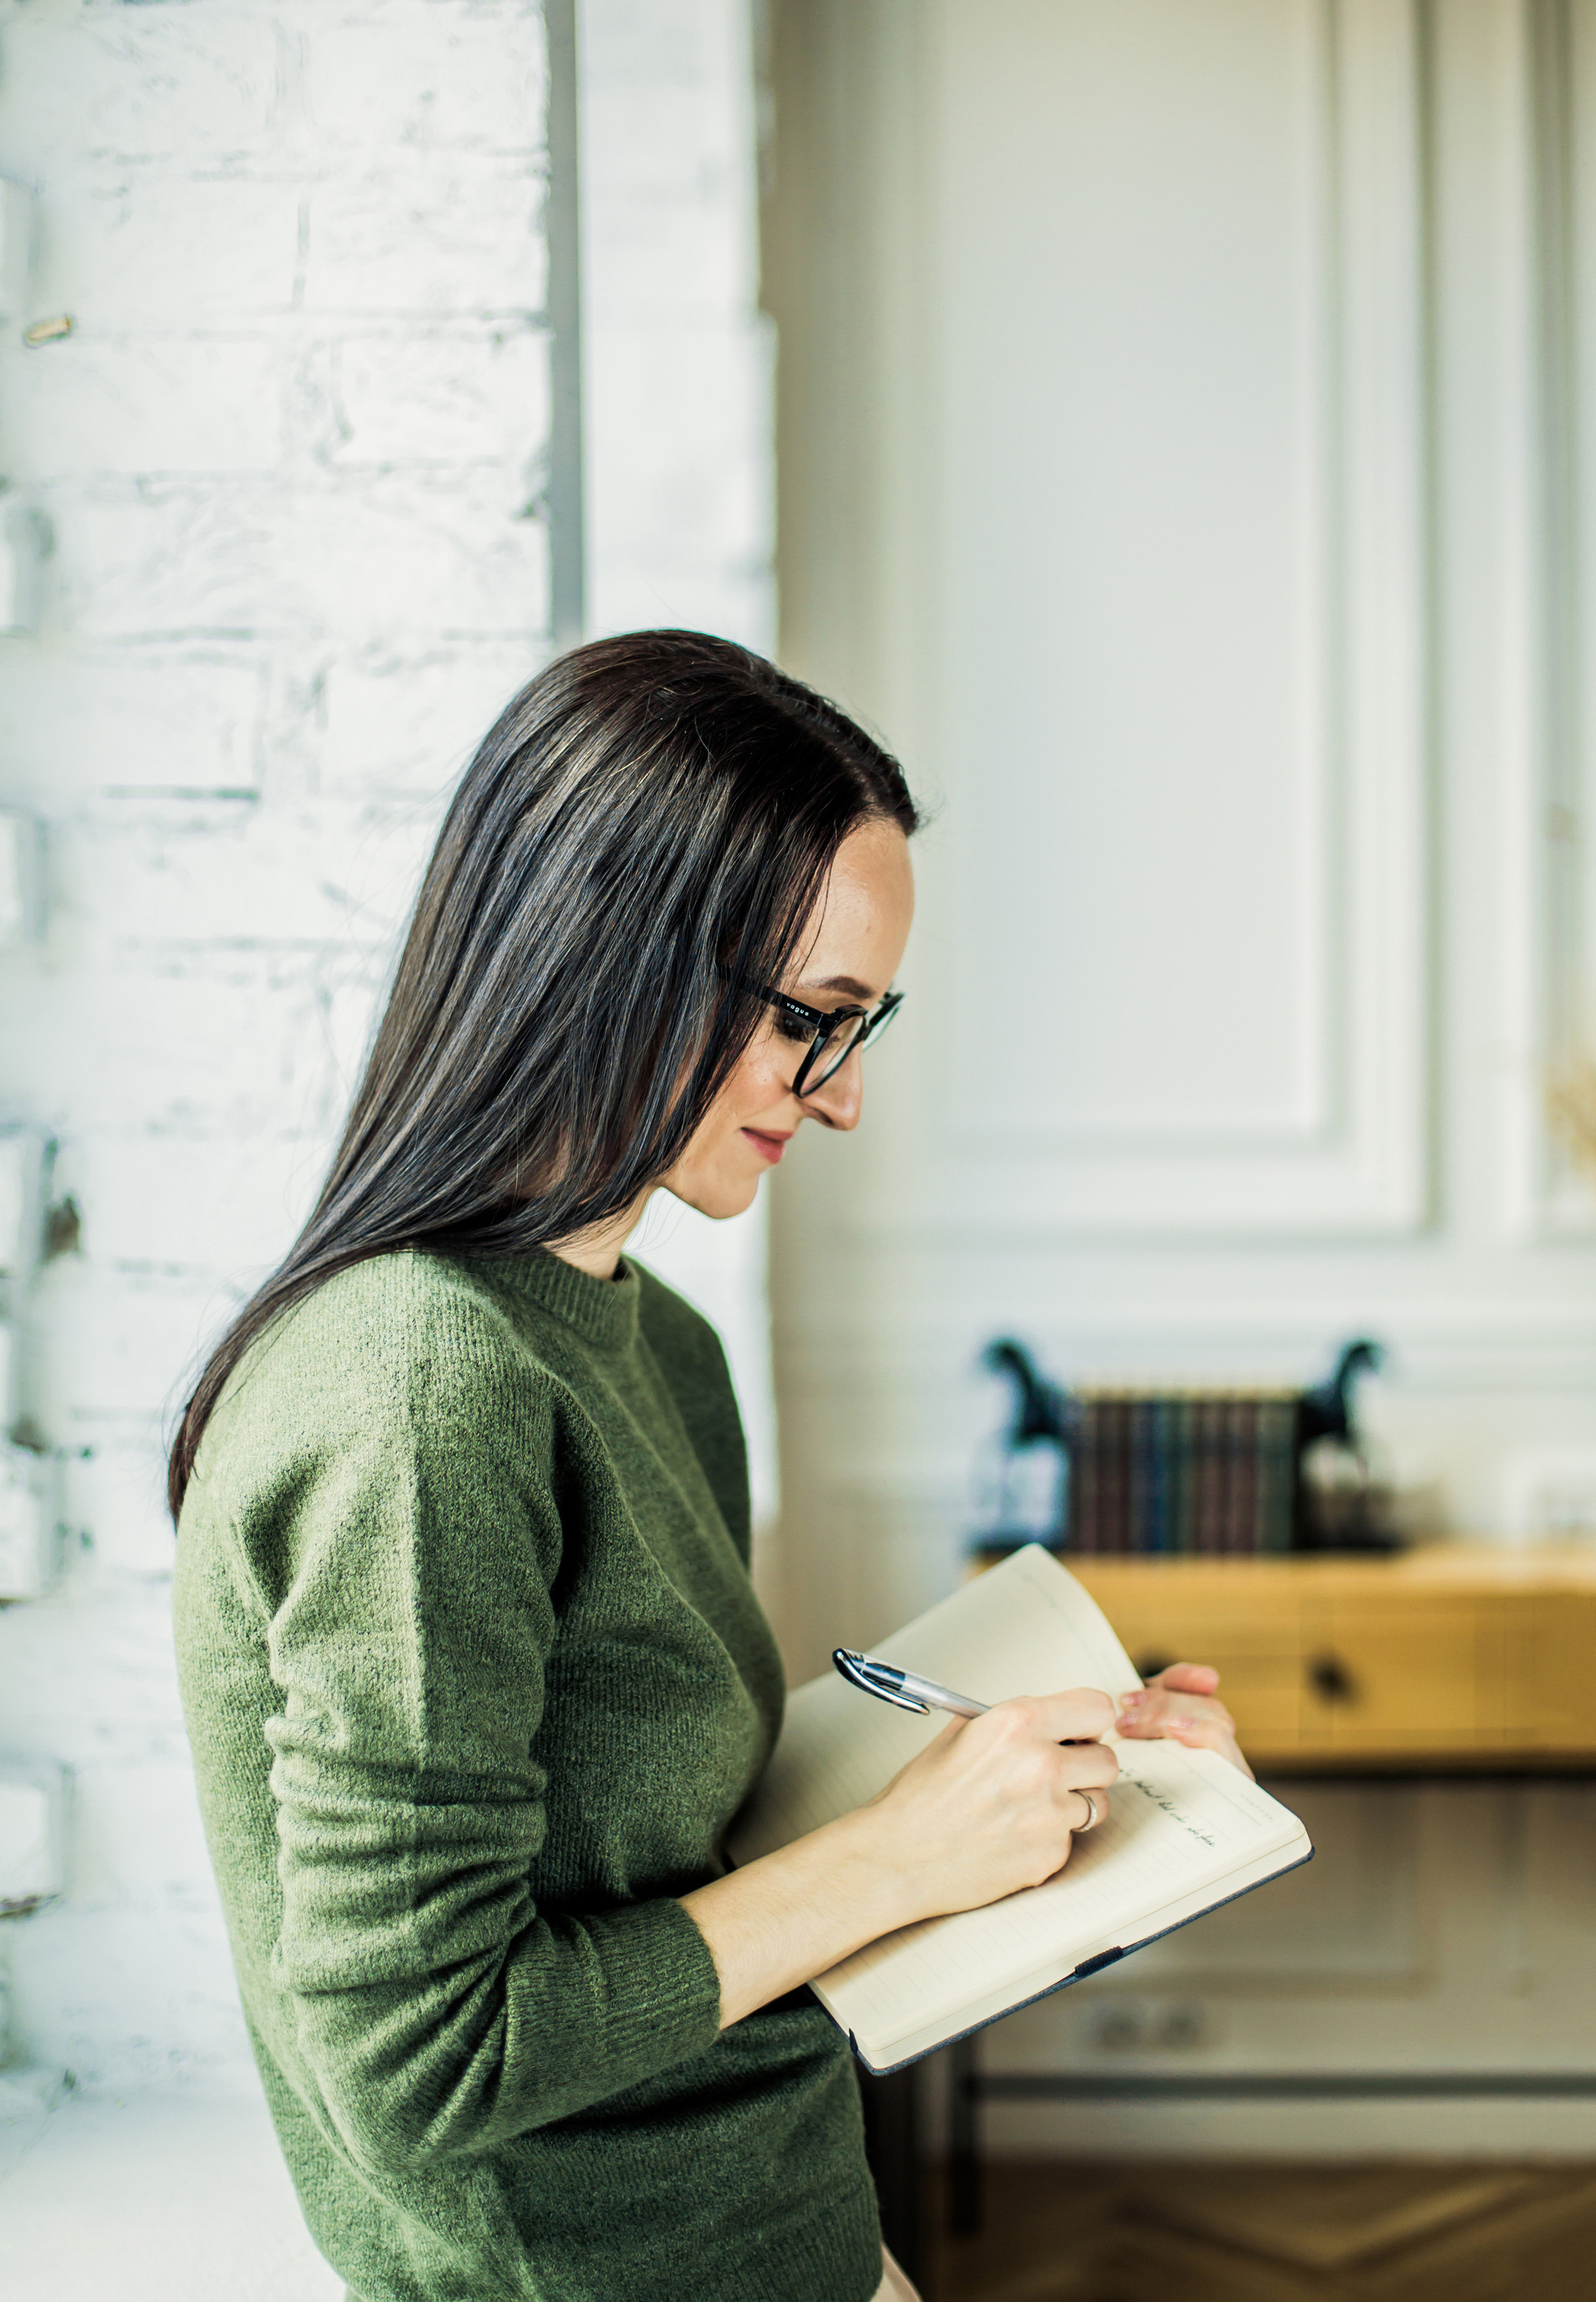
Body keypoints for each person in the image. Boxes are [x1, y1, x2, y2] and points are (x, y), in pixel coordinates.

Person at [170, 632, 1247, 2302]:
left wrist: (1034, 1770)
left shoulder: (655, 1342)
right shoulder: (416, 1386)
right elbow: (421, 2072)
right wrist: (899, 1855)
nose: (846, 1099)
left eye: (865, 1025)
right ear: (616, 954)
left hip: (779, 2223)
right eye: (815, 1022)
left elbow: (656, 1857)